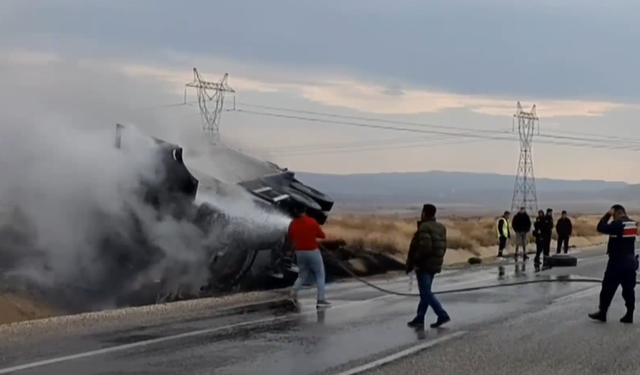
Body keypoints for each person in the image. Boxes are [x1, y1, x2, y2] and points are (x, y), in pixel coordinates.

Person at [589, 204, 639, 323]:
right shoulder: (632, 223)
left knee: (607, 288)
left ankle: (603, 312)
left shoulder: (617, 224)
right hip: (631, 262)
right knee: (628, 290)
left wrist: (607, 214)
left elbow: (600, 227)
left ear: (615, 213)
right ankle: (629, 314)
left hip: (617, 262)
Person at [406, 204, 450, 329]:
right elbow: (442, 246)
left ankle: (442, 314)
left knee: (426, 292)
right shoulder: (440, 227)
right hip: (434, 263)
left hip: (424, 264)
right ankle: (420, 317)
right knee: (425, 292)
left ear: (424, 213)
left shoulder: (424, 227)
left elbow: (425, 246)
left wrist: (416, 261)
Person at [288, 203, 331, 308]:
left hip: (300, 253)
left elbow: (290, 236)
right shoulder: (312, 222)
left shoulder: (293, 223)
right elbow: (322, 235)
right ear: (305, 210)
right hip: (312, 251)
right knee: (320, 274)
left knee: (302, 275)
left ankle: (292, 294)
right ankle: (321, 299)